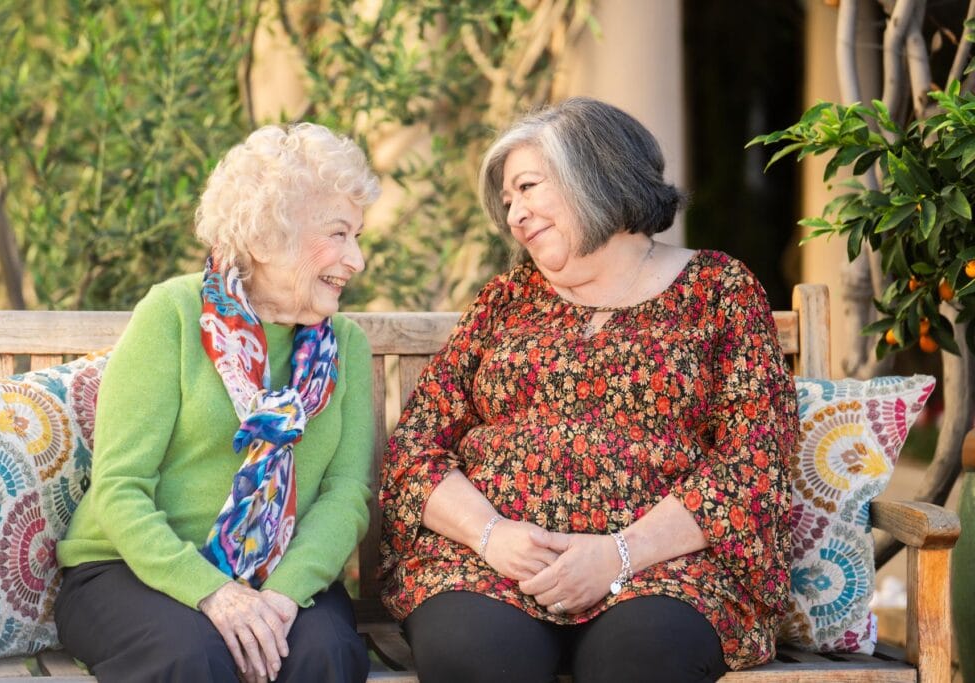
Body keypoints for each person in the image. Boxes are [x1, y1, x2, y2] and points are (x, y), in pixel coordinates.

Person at [379, 97, 799, 682]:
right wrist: (491, 535)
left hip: (664, 570)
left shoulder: (718, 289)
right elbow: (416, 447)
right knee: (477, 658)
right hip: (491, 567)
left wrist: (617, 554)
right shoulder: (504, 300)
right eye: (507, 202)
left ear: (596, 173)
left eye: (528, 187)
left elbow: (754, 459)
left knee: (641, 662)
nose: (515, 215)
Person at [55, 123, 380, 683]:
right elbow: (120, 486)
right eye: (338, 234)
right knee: (195, 657)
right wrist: (213, 592)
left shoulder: (344, 345)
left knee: (324, 654)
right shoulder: (174, 315)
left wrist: (281, 595)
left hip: (280, 573)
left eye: (357, 237)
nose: (357, 260)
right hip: (133, 567)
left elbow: (345, 494)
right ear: (264, 238)